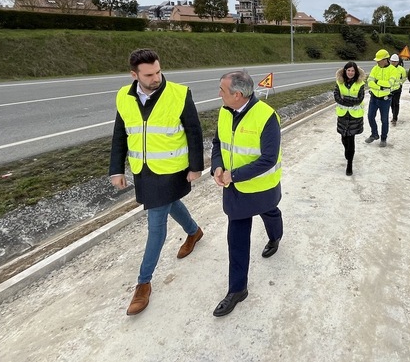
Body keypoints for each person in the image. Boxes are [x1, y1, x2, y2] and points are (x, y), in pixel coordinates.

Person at [109, 48, 204, 316]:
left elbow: (194, 131)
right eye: (149, 74)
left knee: (156, 223)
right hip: (144, 169)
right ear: (134, 75)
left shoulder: (179, 93)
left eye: (158, 71)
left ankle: (143, 283)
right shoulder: (124, 97)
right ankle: (194, 231)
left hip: (172, 168)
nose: (156, 78)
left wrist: (196, 166)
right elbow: (120, 135)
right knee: (169, 203)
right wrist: (116, 169)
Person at [211, 70, 283, 317]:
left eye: (222, 90)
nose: (218, 94)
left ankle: (275, 237)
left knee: (270, 213)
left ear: (237, 94)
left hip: (261, 188)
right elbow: (218, 143)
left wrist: (235, 174)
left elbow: (269, 158)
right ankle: (237, 289)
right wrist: (218, 166)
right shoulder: (223, 111)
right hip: (236, 192)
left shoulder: (266, 116)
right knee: (237, 238)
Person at [334, 61, 366, 176]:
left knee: (350, 139)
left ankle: (349, 164)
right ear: (345, 71)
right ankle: (347, 152)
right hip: (343, 115)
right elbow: (336, 97)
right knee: (343, 137)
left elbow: (359, 99)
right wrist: (348, 101)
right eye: (348, 70)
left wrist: (345, 100)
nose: (350, 73)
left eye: (353, 70)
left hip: (354, 116)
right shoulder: (339, 82)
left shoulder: (360, 83)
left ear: (356, 72)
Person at [365, 49, 397, 147]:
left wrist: (377, 82)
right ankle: (374, 134)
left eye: (379, 60)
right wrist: (380, 86)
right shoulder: (375, 68)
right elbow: (369, 82)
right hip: (374, 98)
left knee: (384, 120)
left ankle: (383, 138)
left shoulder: (393, 70)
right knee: (370, 116)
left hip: (385, 99)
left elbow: (389, 84)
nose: (377, 62)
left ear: (385, 59)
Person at [388, 54, 407, 126]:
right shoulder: (388, 68)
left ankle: (395, 118)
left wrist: (400, 84)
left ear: (398, 62)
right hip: (389, 89)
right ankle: (393, 115)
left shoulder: (401, 69)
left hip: (397, 89)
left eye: (395, 61)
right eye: (392, 61)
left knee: (396, 103)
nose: (393, 63)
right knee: (391, 104)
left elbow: (404, 78)